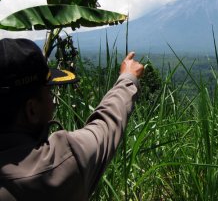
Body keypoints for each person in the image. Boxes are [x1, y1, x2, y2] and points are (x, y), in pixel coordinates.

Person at [0, 38, 144, 200]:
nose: (53, 101)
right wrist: (128, 78)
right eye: (49, 92)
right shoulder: (54, 167)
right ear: (32, 110)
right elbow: (106, 125)